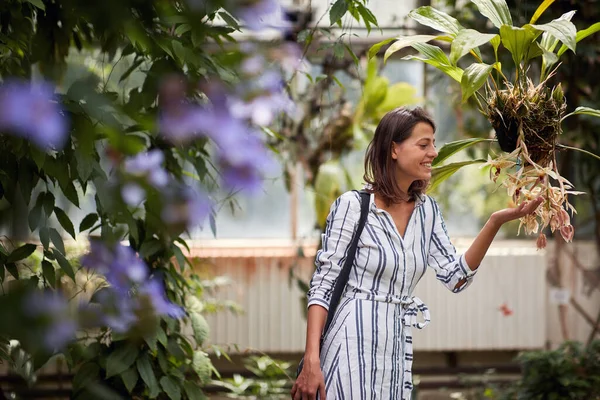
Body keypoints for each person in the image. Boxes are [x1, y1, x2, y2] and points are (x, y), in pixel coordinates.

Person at [290, 107, 543, 400]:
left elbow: (456, 278)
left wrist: (496, 221)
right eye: (424, 144)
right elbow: (324, 285)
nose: (434, 153)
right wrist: (312, 360)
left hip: (395, 349)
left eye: (433, 144)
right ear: (394, 149)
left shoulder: (428, 212)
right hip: (350, 341)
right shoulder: (352, 206)